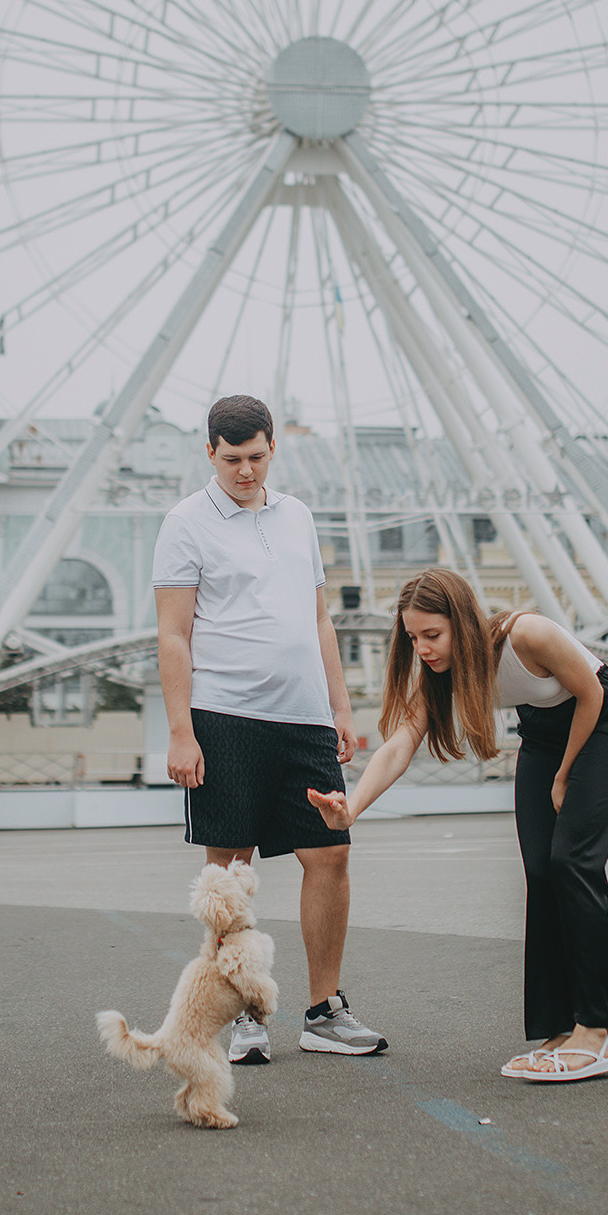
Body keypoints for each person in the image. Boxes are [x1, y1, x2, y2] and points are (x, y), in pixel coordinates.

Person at [308, 567, 608, 1083]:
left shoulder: (527, 634)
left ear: (462, 622)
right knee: (541, 871)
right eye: (414, 638)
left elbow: (593, 696)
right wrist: (351, 808)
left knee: (571, 860)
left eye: (433, 635)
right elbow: (400, 744)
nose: (423, 648)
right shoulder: (439, 676)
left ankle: (598, 1033)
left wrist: (565, 773)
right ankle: (560, 1030)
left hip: (602, 726)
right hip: (544, 736)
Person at [152, 394, 387, 1065]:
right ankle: (244, 1014)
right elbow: (173, 634)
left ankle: (324, 1011)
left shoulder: (298, 517)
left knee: (331, 853)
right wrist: (180, 731)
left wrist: (339, 706)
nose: (246, 472)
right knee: (229, 872)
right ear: (209, 453)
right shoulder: (185, 522)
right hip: (223, 715)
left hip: (304, 715)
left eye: (257, 457)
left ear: (272, 447)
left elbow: (318, 618)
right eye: (232, 460)